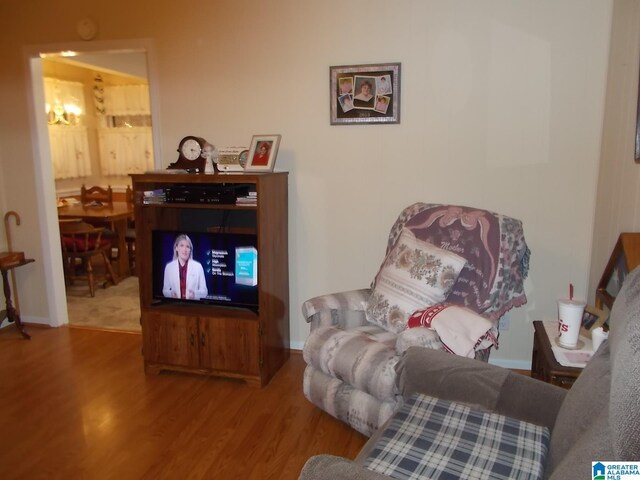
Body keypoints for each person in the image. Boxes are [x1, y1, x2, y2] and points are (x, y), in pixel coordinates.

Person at [162, 234, 208, 300]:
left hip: (194, 305)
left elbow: (204, 291)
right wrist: (170, 294)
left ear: (190, 250)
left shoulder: (198, 266)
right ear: (176, 248)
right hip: (174, 305)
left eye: (187, 247)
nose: (185, 250)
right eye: (181, 246)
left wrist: (195, 294)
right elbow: (165, 290)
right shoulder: (169, 267)